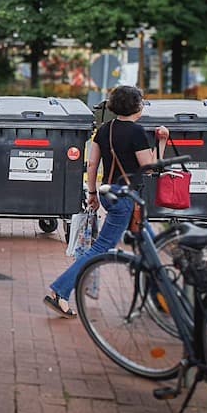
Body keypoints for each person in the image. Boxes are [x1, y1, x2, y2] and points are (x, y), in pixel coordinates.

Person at [45, 85, 168, 318]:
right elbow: (150, 168)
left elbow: (92, 164)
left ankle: (162, 296)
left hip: (108, 193)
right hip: (127, 199)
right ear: (136, 106)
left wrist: (92, 194)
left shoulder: (104, 130)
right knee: (101, 248)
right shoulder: (137, 133)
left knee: (151, 244)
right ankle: (60, 291)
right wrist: (162, 141)